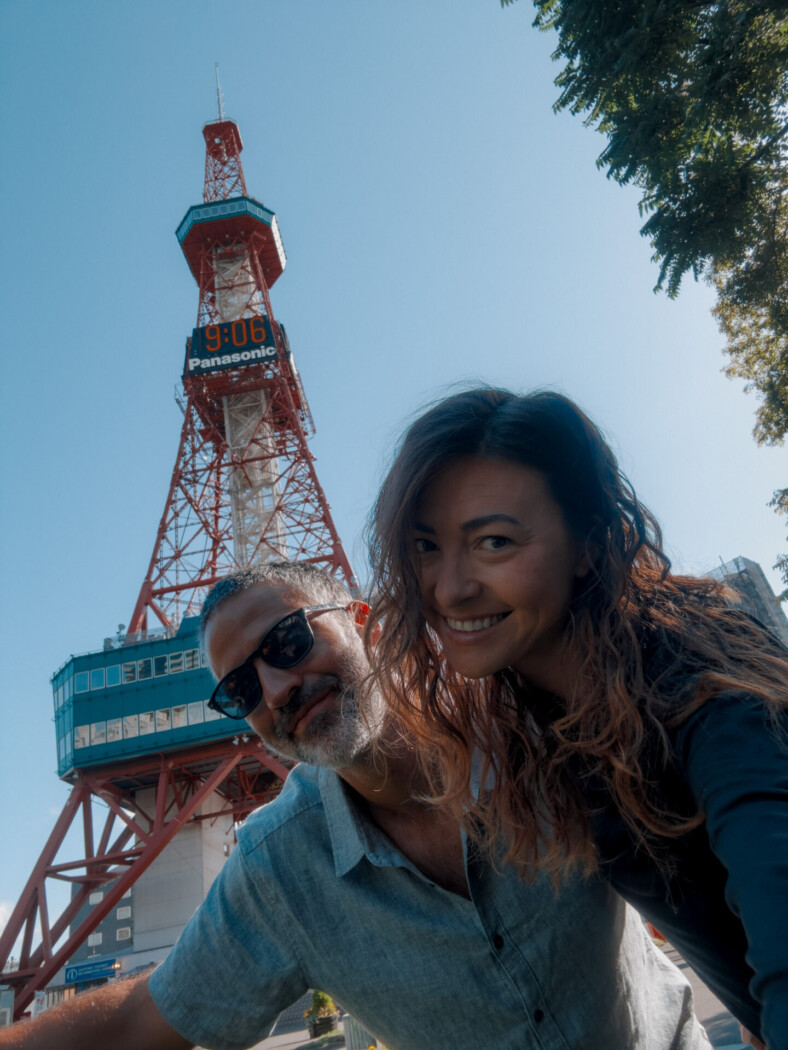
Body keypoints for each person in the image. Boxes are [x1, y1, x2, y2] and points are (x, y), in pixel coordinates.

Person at [0, 561, 711, 1050]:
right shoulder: (281, 871)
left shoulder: (533, 720)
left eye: (289, 639)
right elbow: (141, 1020)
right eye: (241, 691)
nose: (277, 686)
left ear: (366, 621)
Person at [367, 386, 788, 1050]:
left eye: (495, 542)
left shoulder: (707, 693)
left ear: (591, 543)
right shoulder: (545, 723)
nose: (449, 588)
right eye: (425, 547)